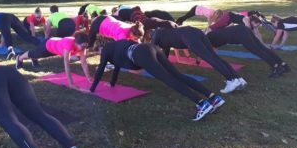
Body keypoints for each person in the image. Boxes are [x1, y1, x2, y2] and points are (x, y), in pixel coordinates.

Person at [90, 38, 225, 121]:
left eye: (98, 52)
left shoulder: (106, 50)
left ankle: (201, 103)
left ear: (100, 48)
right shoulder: (117, 44)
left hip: (141, 54)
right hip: (150, 47)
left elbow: (101, 69)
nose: (99, 54)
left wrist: (92, 89)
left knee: (169, 80)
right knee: (177, 75)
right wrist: (112, 83)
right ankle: (213, 98)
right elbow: (117, 66)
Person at [150, 26, 246, 93]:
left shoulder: (155, 35)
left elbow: (151, 49)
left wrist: (154, 65)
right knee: (214, 56)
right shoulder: (162, 32)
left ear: (148, 33)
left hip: (187, 36)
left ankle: (231, 80)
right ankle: (238, 78)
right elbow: (165, 51)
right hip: (195, 31)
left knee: (209, 58)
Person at [206, 25, 291, 77]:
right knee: (262, 48)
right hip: (243, 29)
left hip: (240, 34)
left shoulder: (208, 39)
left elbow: (213, 52)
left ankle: (277, 67)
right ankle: (284, 65)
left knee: (258, 51)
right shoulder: (209, 36)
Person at [16, 32, 92, 88]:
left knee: (37, 55)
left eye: (86, 46)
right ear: (76, 43)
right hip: (48, 45)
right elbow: (67, 65)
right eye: (83, 46)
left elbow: (84, 62)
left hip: (56, 49)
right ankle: (19, 58)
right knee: (35, 54)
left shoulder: (82, 46)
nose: (84, 48)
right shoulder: (69, 45)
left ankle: (33, 58)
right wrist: (71, 84)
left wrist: (88, 78)